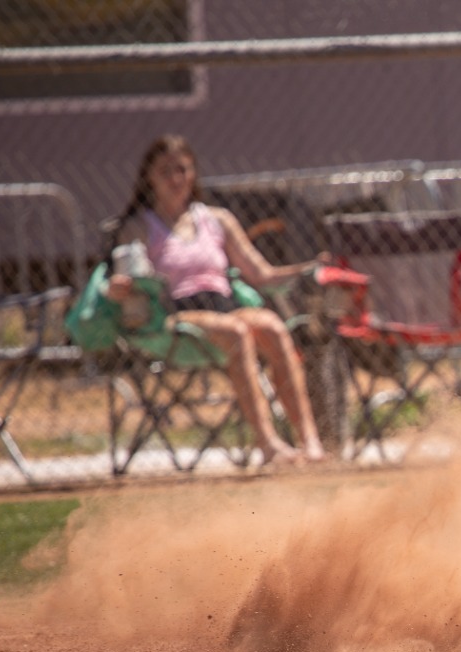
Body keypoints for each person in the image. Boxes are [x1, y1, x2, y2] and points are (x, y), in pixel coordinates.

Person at [108, 134, 328, 465]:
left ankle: (310, 442)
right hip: (175, 316)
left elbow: (261, 274)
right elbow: (127, 280)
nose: (176, 179)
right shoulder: (139, 227)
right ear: (149, 177)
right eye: (165, 171)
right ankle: (269, 445)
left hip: (224, 306)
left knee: (273, 327)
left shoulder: (218, 219)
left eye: (182, 169)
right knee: (236, 332)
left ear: (194, 173)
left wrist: (309, 269)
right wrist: (121, 288)